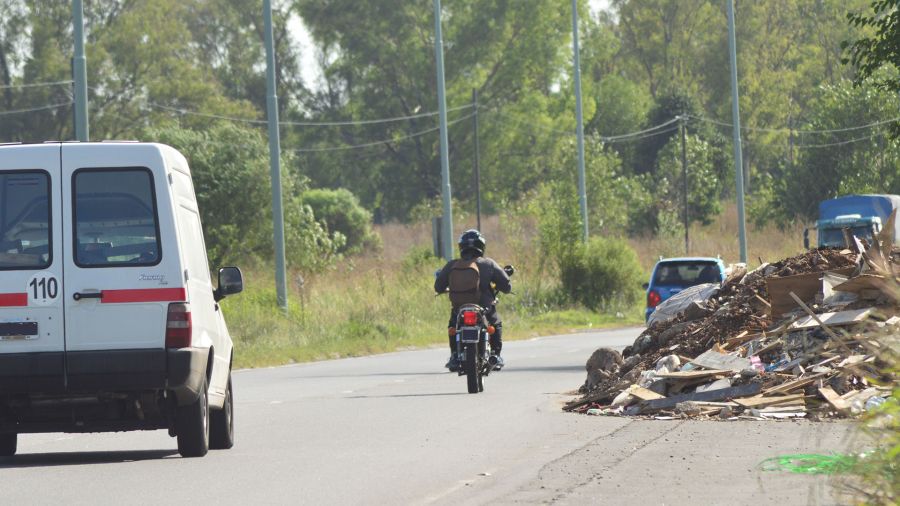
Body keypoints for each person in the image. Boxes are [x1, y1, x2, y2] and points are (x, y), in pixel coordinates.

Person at [434, 229, 512, 372]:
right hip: (484, 308)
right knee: (495, 323)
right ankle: (495, 355)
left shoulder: (452, 265)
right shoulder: (488, 264)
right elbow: (506, 286)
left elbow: (438, 286)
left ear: (461, 247)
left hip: (460, 308)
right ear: (482, 246)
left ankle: (455, 355)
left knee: (453, 325)